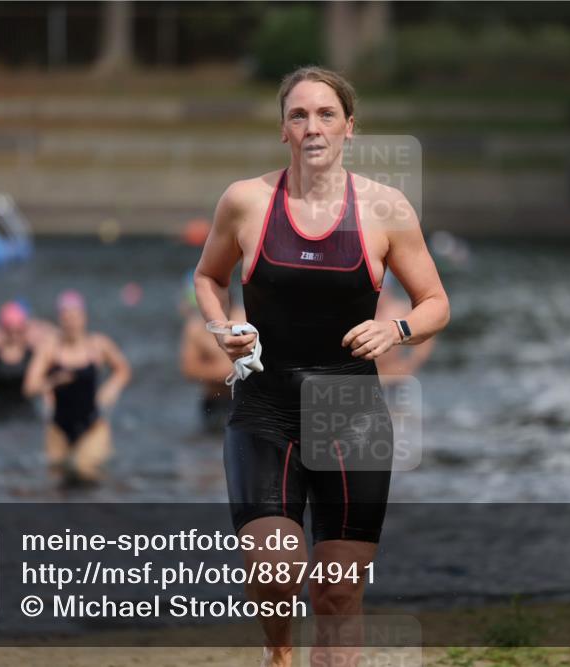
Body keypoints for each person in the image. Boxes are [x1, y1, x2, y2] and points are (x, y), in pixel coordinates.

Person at [194, 66, 449, 667]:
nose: (313, 126)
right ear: (283, 129)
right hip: (265, 410)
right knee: (276, 565)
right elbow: (208, 277)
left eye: (326, 114)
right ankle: (280, 651)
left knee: (337, 595)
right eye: (299, 114)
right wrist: (221, 328)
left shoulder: (386, 209)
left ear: (349, 128)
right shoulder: (246, 201)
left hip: (352, 417)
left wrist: (397, 328)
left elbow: (436, 303)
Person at [24, 290, 131, 488]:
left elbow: (123, 369)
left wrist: (110, 389)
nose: (71, 323)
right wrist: (53, 382)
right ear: (60, 320)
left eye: (75, 317)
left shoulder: (98, 345)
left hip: (93, 426)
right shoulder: (49, 349)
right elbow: (29, 387)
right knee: (55, 479)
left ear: (84, 318)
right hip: (58, 428)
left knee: (85, 471)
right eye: (66, 318)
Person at [178, 271, 245, 433]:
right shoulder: (196, 328)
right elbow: (188, 370)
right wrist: (226, 372)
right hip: (215, 402)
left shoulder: (246, 319)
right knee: (208, 452)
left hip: (244, 401)